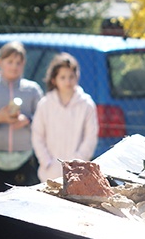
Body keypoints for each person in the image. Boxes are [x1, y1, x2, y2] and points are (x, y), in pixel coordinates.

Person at [0, 41, 43, 194]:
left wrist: (28, 121)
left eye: (18, 62)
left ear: (24, 64)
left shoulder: (32, 90)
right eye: (10, 62)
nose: (14, 66)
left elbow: (44, 121)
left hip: (24, 156)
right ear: (0, 62)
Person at [32, 53, 99, 183]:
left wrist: (77, 163)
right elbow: (37, 136)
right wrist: (46, 162)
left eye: (71, 77)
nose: (68, 81)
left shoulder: (86, 104)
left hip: (78, 173)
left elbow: (90, 137)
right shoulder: (45, 104)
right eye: (62, 77)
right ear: (54, 79)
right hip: (49, 173)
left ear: (77, 76)